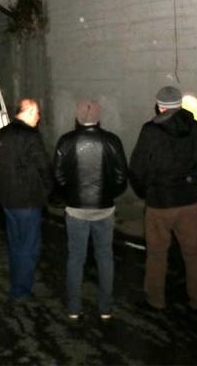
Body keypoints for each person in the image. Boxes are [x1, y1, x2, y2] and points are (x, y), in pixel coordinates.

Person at [129, 85, 197, 317]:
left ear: (159, 106)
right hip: (190, 202)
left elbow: (137, 169)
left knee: (157, 253)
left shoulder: (150, 131)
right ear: (180, 106)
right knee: (192, 253)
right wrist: (190, 179)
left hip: (160, 204)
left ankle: (156, 301)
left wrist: (149, 189)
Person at [53, 100, 128, 320]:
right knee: (105, 257)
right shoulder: (112, 140)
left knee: (76, 258)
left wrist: (70, 194)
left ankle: (74, 308)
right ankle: (105, 308)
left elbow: (58, 176)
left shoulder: (66, 141)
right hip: (104, 208)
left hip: (76, 209)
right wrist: (108, 193)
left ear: (78, 117)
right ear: (99, 116)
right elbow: (122, 177)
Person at [0, 98, 53, 301]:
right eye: (37, 113)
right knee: (29, 247)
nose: (39, 117)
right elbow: (43, 166)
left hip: (7, 201)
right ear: (28, 111)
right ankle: (21, 290)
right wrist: (48, 189)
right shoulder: (30, 135)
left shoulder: (2, 133)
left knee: (16, 244)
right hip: (27, 201)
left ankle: (16, 282)